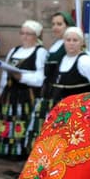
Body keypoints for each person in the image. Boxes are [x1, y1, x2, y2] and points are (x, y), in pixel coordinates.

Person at [0, 19, 47, 166]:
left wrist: (22, 77)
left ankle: (26, 165)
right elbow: (5, 75)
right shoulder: (14, 50)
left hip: (27, 96)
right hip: (11, 95)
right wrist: (2, 93)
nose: (24, 37)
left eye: (28, 34)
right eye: (22, 33)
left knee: (25, 128)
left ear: (36, 36)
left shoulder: (40, 52)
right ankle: (15, 164)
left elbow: (41, 78)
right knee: (10, 128)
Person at [25, 10, 74, 147]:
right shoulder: (55, 45)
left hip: (59, 95)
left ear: (68, 26)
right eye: (53, 24)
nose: (55, 27)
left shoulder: (68, 46)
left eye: (59, 24)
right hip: (48, 93)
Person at [49, 27, 90, 105]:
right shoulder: (62, 59)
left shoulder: (85, 60)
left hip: (79, 108)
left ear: (82, 43)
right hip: (61, 108)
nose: (71, 43)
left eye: (75, 40)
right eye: (68, 40)